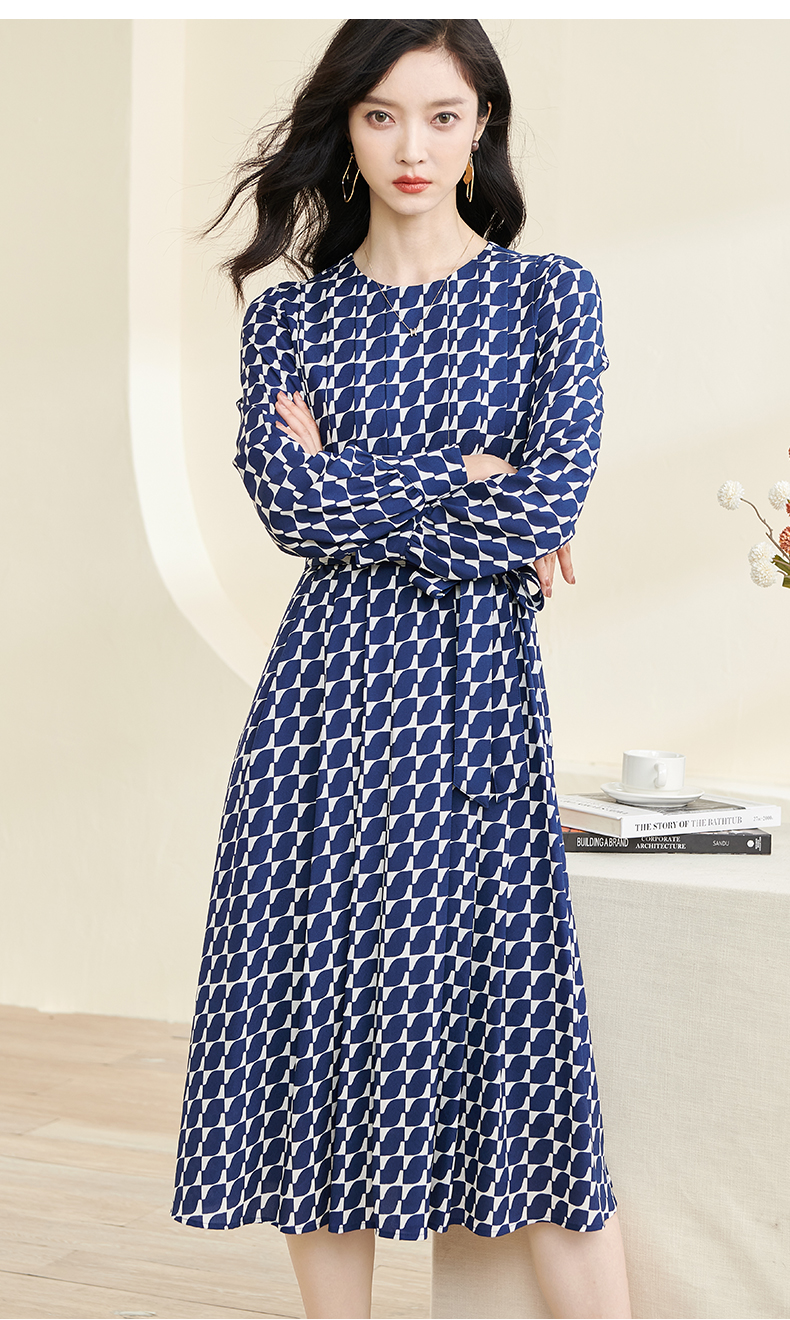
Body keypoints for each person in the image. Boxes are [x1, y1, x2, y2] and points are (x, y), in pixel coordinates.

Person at [171, 19, 631, 1320]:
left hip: (476, 715)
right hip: (321, 716)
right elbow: (290, 511)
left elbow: (540, 507)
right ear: (347, 131)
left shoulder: (551, 299)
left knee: (527, 1068)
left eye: (440, 115)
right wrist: (462, 476)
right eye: (380, 116)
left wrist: (367, 480)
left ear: (481, 128)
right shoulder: (291, 319)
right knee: (318, 1047)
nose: (410, 146)